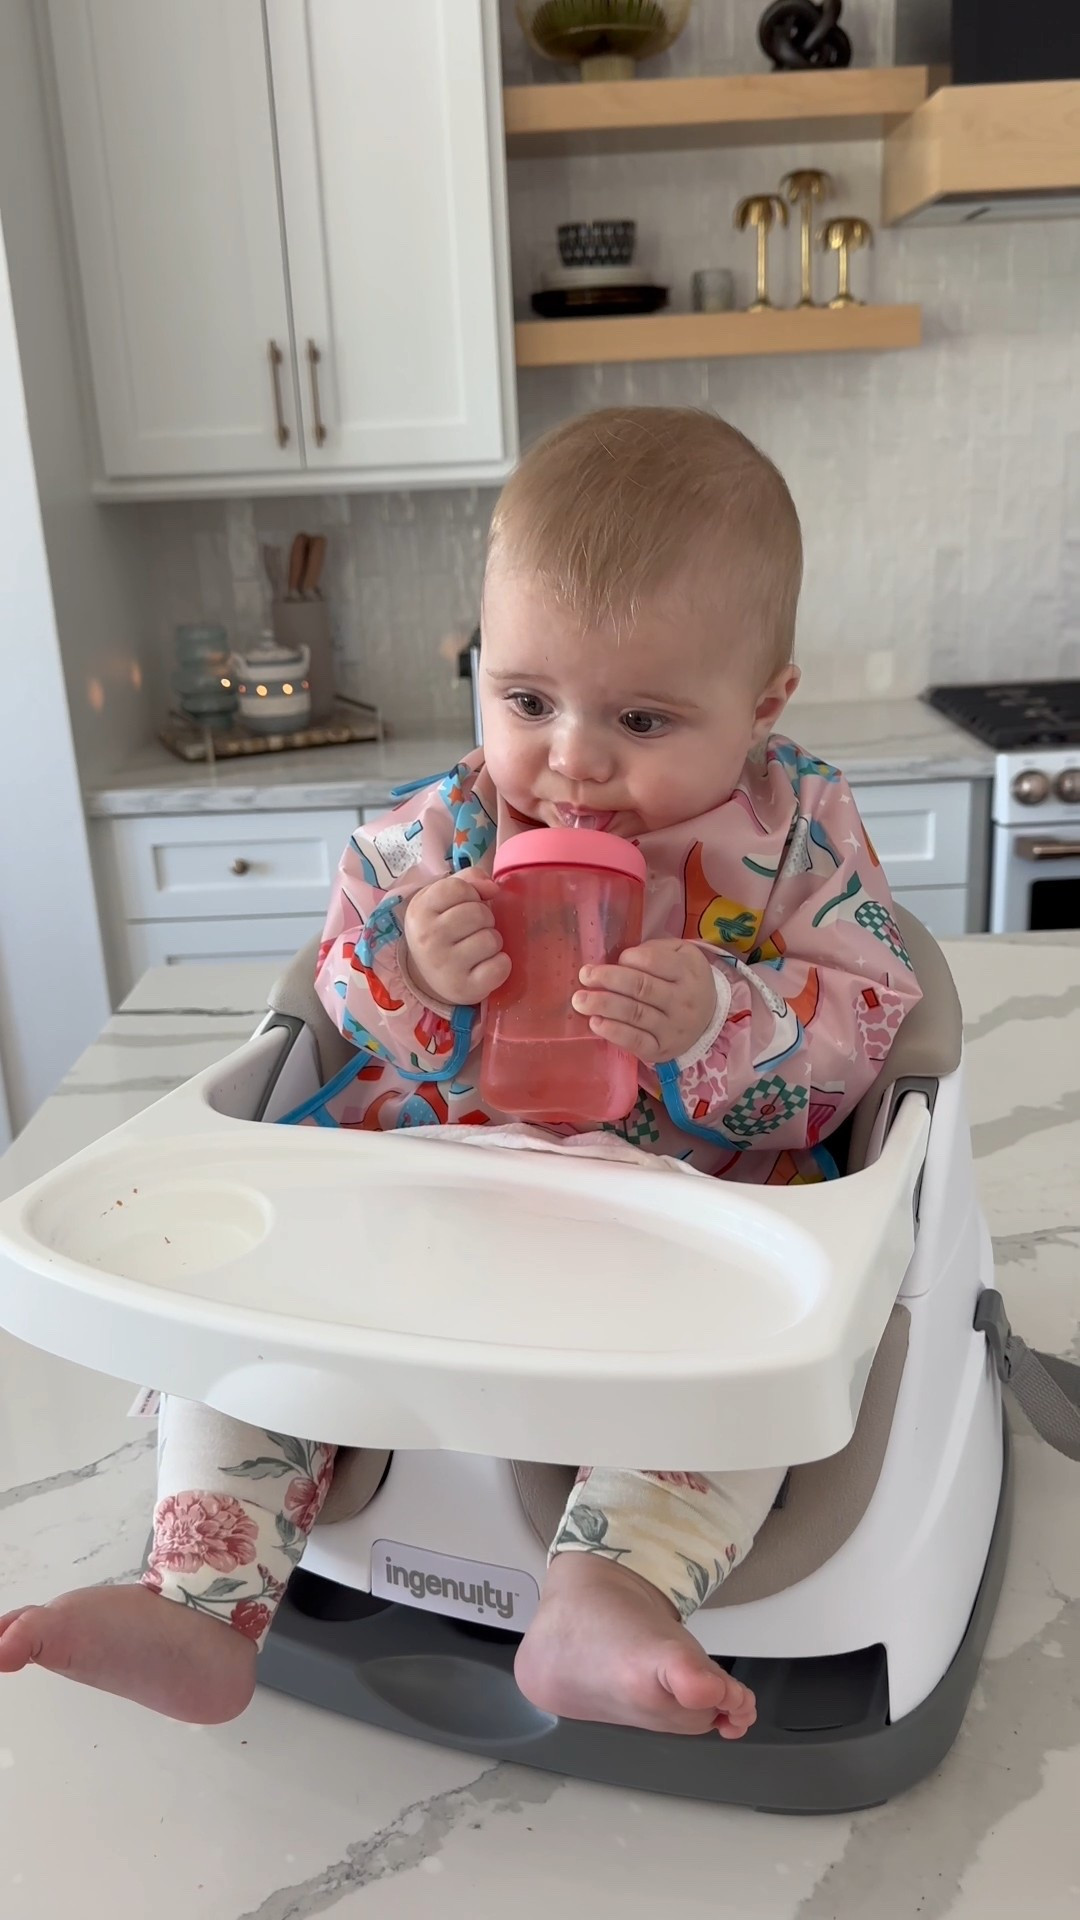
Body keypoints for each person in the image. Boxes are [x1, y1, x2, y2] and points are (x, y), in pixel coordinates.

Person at [0, 407, 920, 1738]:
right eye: (527, 700)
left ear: (764, 704)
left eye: (644, 716)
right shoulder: (441, 830)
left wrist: (729, 1012)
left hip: (685, 1216)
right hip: (429, 1199)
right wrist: (411, 972)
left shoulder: (797, 835)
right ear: (479, 667)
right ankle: (198, 1600)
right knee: (253, 1326)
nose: (574, 760)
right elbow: (334, 994)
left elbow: (872, 1025)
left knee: (753, 1368)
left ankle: (610, 1589)